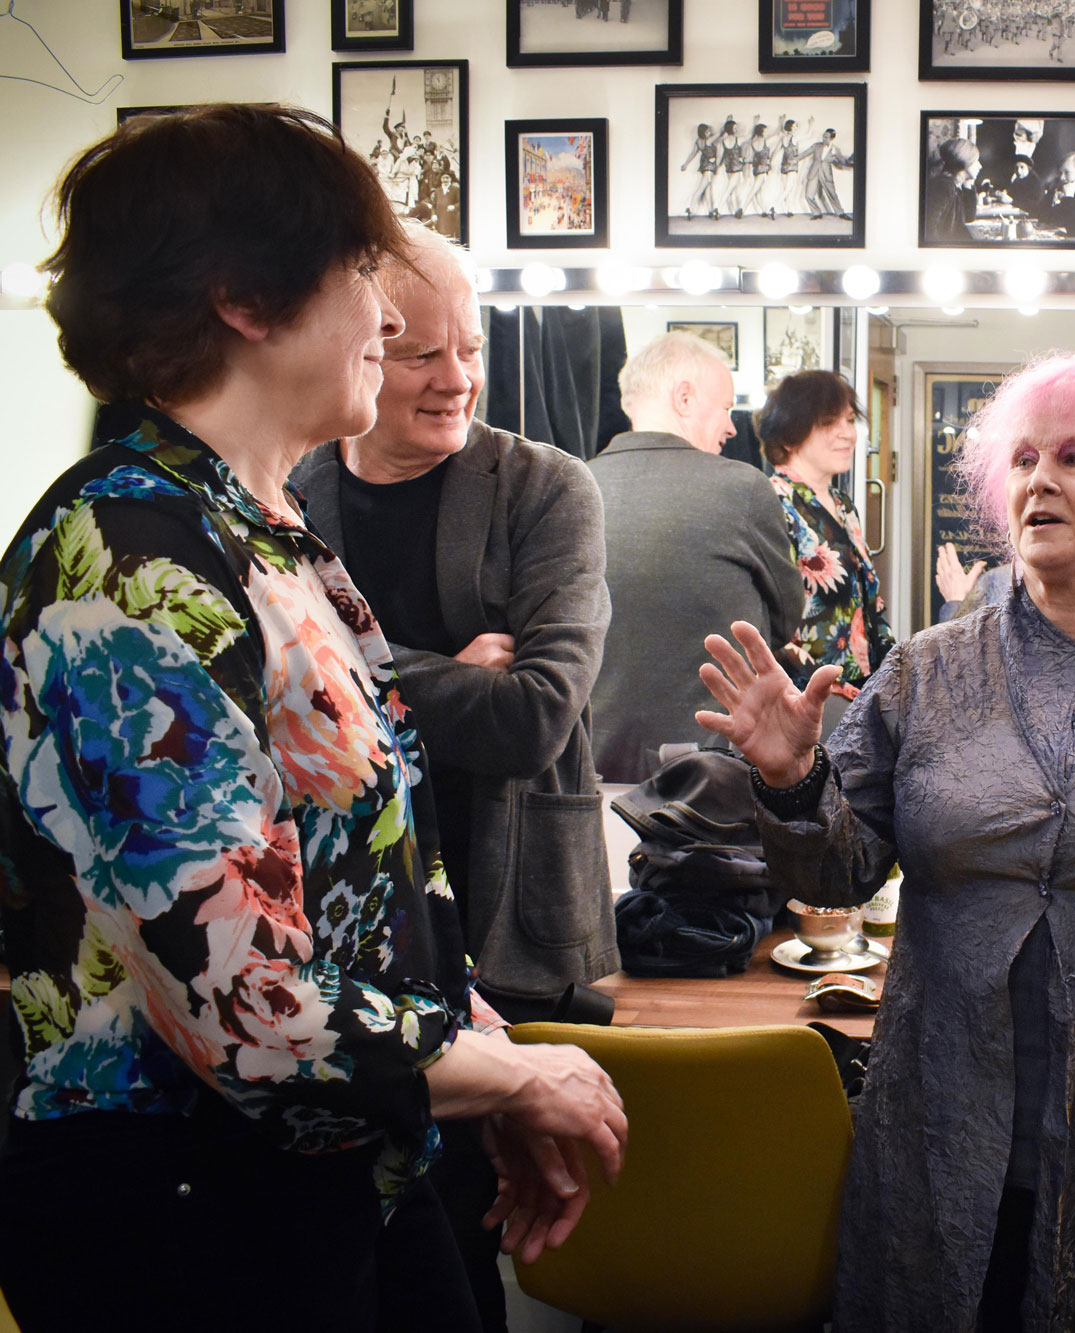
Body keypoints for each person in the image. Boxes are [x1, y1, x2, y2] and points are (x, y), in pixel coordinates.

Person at [0, 104, 624, 1333]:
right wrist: (509, 1075)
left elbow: (377, 884)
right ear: (243, 298)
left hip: (334, 1164)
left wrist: (482, 1063)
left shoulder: (262, 531)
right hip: (186, 1215)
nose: (386, 322)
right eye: (359, 274)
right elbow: (246, 1000)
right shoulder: (127, 562)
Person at [697, 352, 1075, 1331]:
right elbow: (839, 872)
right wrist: (791, 778)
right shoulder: (924, 676)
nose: (1040, 479)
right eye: (1023, 458)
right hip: (938, 1121)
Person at [291, 218, 618, 1333]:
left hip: (507, 929)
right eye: (422, 352)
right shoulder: (289, 488)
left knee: (478, 1255)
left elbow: (531, 718)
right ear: (358, 346)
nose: (457, 378)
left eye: (470, 347)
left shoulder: (546, 488)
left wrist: (345, 671)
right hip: (347, 947)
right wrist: (438, 669)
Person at [589, 332, 800, 782]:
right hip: (711, 777)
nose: (732, 427)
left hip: (589, 767)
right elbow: (784, 621)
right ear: (684, 398)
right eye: (725, 407)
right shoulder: (743, 489)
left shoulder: (573, 485)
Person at [756, 371, 895, 723]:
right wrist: (834, 696)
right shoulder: (773, 502)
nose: (847, 433)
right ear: (790, 434)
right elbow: (770, 626)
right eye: (829, 422)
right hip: (810, 703)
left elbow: (869, 607)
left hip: (863, 695)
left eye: (849, 420)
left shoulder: (843, 505)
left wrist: (896, 677)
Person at [924, 136, 981, 245]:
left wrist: (968, 185)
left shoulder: (955, 185)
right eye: (976, 161)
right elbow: (929, 229)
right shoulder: (943, 186)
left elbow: (969, 217)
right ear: (964, 162)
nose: (980, 166)